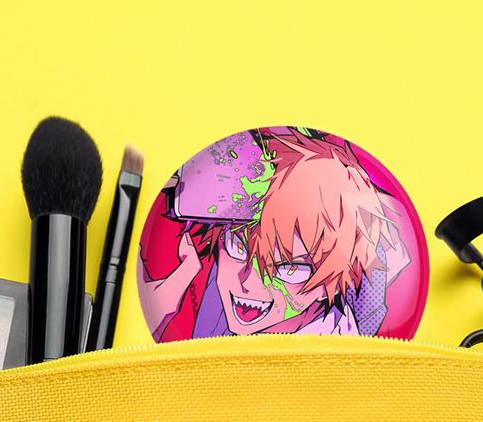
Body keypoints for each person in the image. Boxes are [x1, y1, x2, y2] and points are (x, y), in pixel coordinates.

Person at [138, 128, 410, 340]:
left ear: (331, 282)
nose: (247, 281)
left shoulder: (336, 352)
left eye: (290, 268)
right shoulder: (215, 308)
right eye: (238, 248)